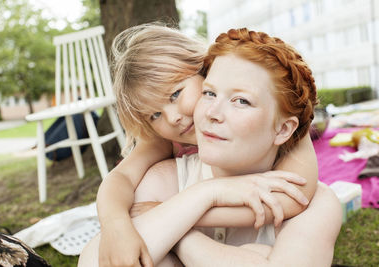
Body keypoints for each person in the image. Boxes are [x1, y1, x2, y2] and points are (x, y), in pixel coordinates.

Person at [79, 26, 341, 267]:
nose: (172, 118)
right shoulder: (164, 167)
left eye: (176, 94)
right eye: (154, 115)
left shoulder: (292, 141)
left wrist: (180, 231)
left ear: (204, 69)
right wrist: (116, 225)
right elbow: (120, 179)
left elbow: (293, 197)